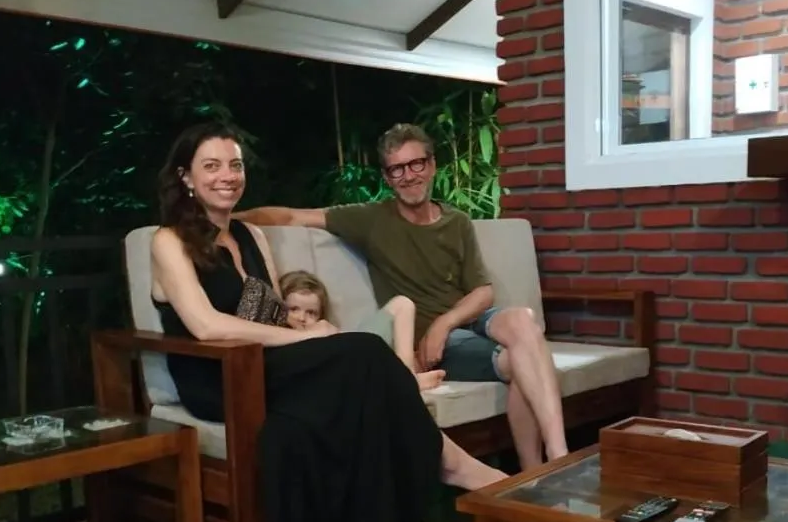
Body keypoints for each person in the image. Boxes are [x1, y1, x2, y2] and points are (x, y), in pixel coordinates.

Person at [149, 122, 507, 522]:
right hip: (219, 377)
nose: (227, 176)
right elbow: (207, 326)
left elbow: (274, 315)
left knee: (353, 384)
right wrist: (303, 343)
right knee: (362, 353)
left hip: (267, 364)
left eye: (234, 165)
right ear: (187, 177)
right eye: (211, 166)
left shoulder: (251, 236)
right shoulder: (168, 241)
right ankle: (453, 466)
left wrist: (309, 332)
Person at [238, 122, 568, 471]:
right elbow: (289, 216)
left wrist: (446, 320)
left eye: (416, 164)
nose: (409, 175)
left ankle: (557, 457)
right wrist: (227, 219)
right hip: (435, 346)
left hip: (463, 320)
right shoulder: (371, 219)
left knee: (524, 321)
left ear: (432, 165)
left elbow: (483, 292)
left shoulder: (456, 222)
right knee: (524, 359)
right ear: (387, 177)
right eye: (397, 168)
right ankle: (539, 472)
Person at [278, 269, 446, 393]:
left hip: (355, 352)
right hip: (349, 374)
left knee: (403, 304)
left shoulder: (323, 329)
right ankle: (407, 382)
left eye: (311, 313)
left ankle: (408, 377)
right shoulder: (275, 337)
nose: (301, 317)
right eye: (293, 309)